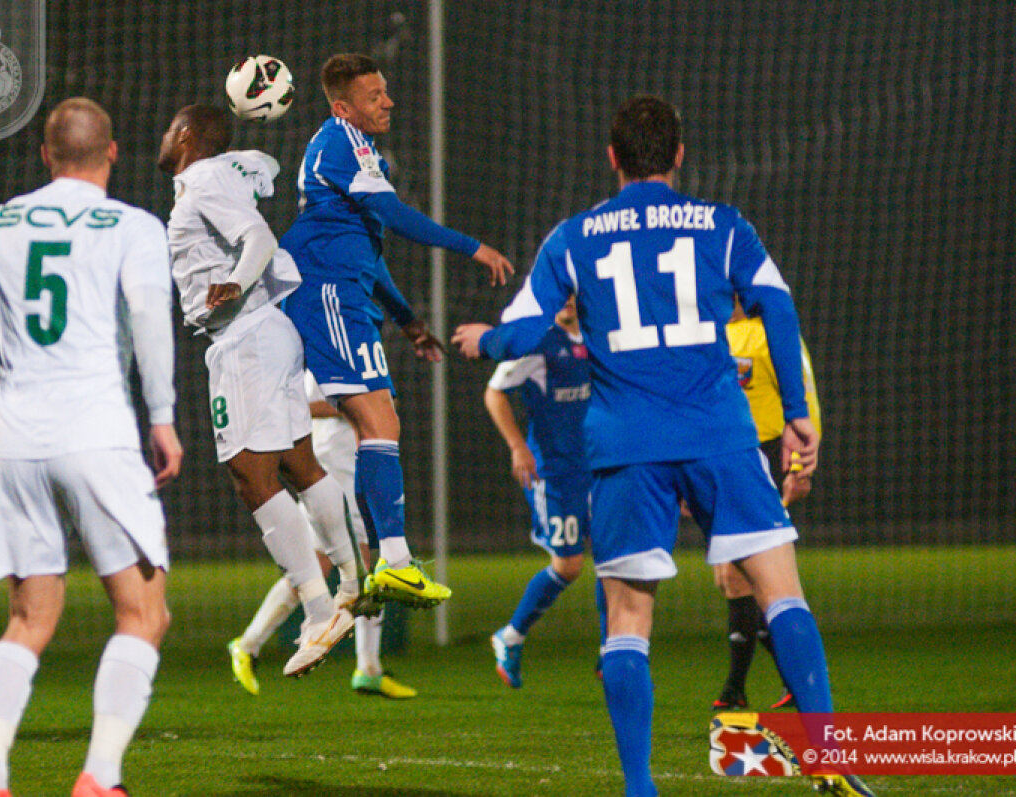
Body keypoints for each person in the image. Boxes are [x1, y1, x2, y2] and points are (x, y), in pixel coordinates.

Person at [452, 95, 874, 797]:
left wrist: (484, 341)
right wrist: (797, 412)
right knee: (783, 595)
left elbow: (523, 333)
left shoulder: (573, 236)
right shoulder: (722, 224)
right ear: (679, 154)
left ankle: (640, 788)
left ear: (612, 158)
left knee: (627, 619)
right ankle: (826, 754)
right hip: (720, 433)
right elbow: (778, 303)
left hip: (625, 445)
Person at [0, 98, 183, 797]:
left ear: (46, 156)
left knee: (28, 618)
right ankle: (100, 777)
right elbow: (148, 313)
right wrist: (163, 415)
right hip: (97, 428)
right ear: (112, 153)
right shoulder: (134, 227)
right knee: (144, 612)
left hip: (13, 435)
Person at [279, 52, 514, 607]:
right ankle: (383, 563)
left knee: (378, 424)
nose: (388, 102)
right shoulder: (340, 142)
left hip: (346, 291)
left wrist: (408, 321)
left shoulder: (357, 150)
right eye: (374, 96)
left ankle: (389, 562)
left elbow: (370, 247)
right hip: (327, 293)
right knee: (376, 420)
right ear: (343, 106)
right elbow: (400, 217)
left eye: (385, 91)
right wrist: (471, 247)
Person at [157, 104, 369, 681]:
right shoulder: (224, 172)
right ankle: (352, 578)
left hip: (244, 335)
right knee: (301, 464)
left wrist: (235, 279)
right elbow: (266, 164)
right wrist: (240, 157)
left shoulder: (202, 178)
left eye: (168, 129)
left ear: (185, 135)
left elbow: (256, 235)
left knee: (251, 475)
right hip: (264, 333)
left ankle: (320, 611)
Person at [229, 370, 418, 699]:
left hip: (352, 465)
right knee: (358, 570)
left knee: (322, 568)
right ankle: (367, 667)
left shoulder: (359, 347)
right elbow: (304, 403)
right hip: (332, 467)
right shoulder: (323, 356)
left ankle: (249, 645)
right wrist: (359, 406)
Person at [482, 298, 607, 688]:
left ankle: (612, 651)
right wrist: (518, 446)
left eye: (574, 292)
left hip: (600, 464)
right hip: (553, 472)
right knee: (569, 566)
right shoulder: (537, 342)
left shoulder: (600, 334)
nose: (569, 300)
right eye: (562, 292)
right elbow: (494, 392)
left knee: (613, 558)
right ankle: (511, 636)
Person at [711, 301, 823, 712]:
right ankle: (785, 682)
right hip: (724, 460)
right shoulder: (709, 330)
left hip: (767, 456)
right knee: (730, 579)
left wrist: (800, 465)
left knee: (743, 576)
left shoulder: (771, 333)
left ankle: (735, 689)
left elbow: (804, 396)